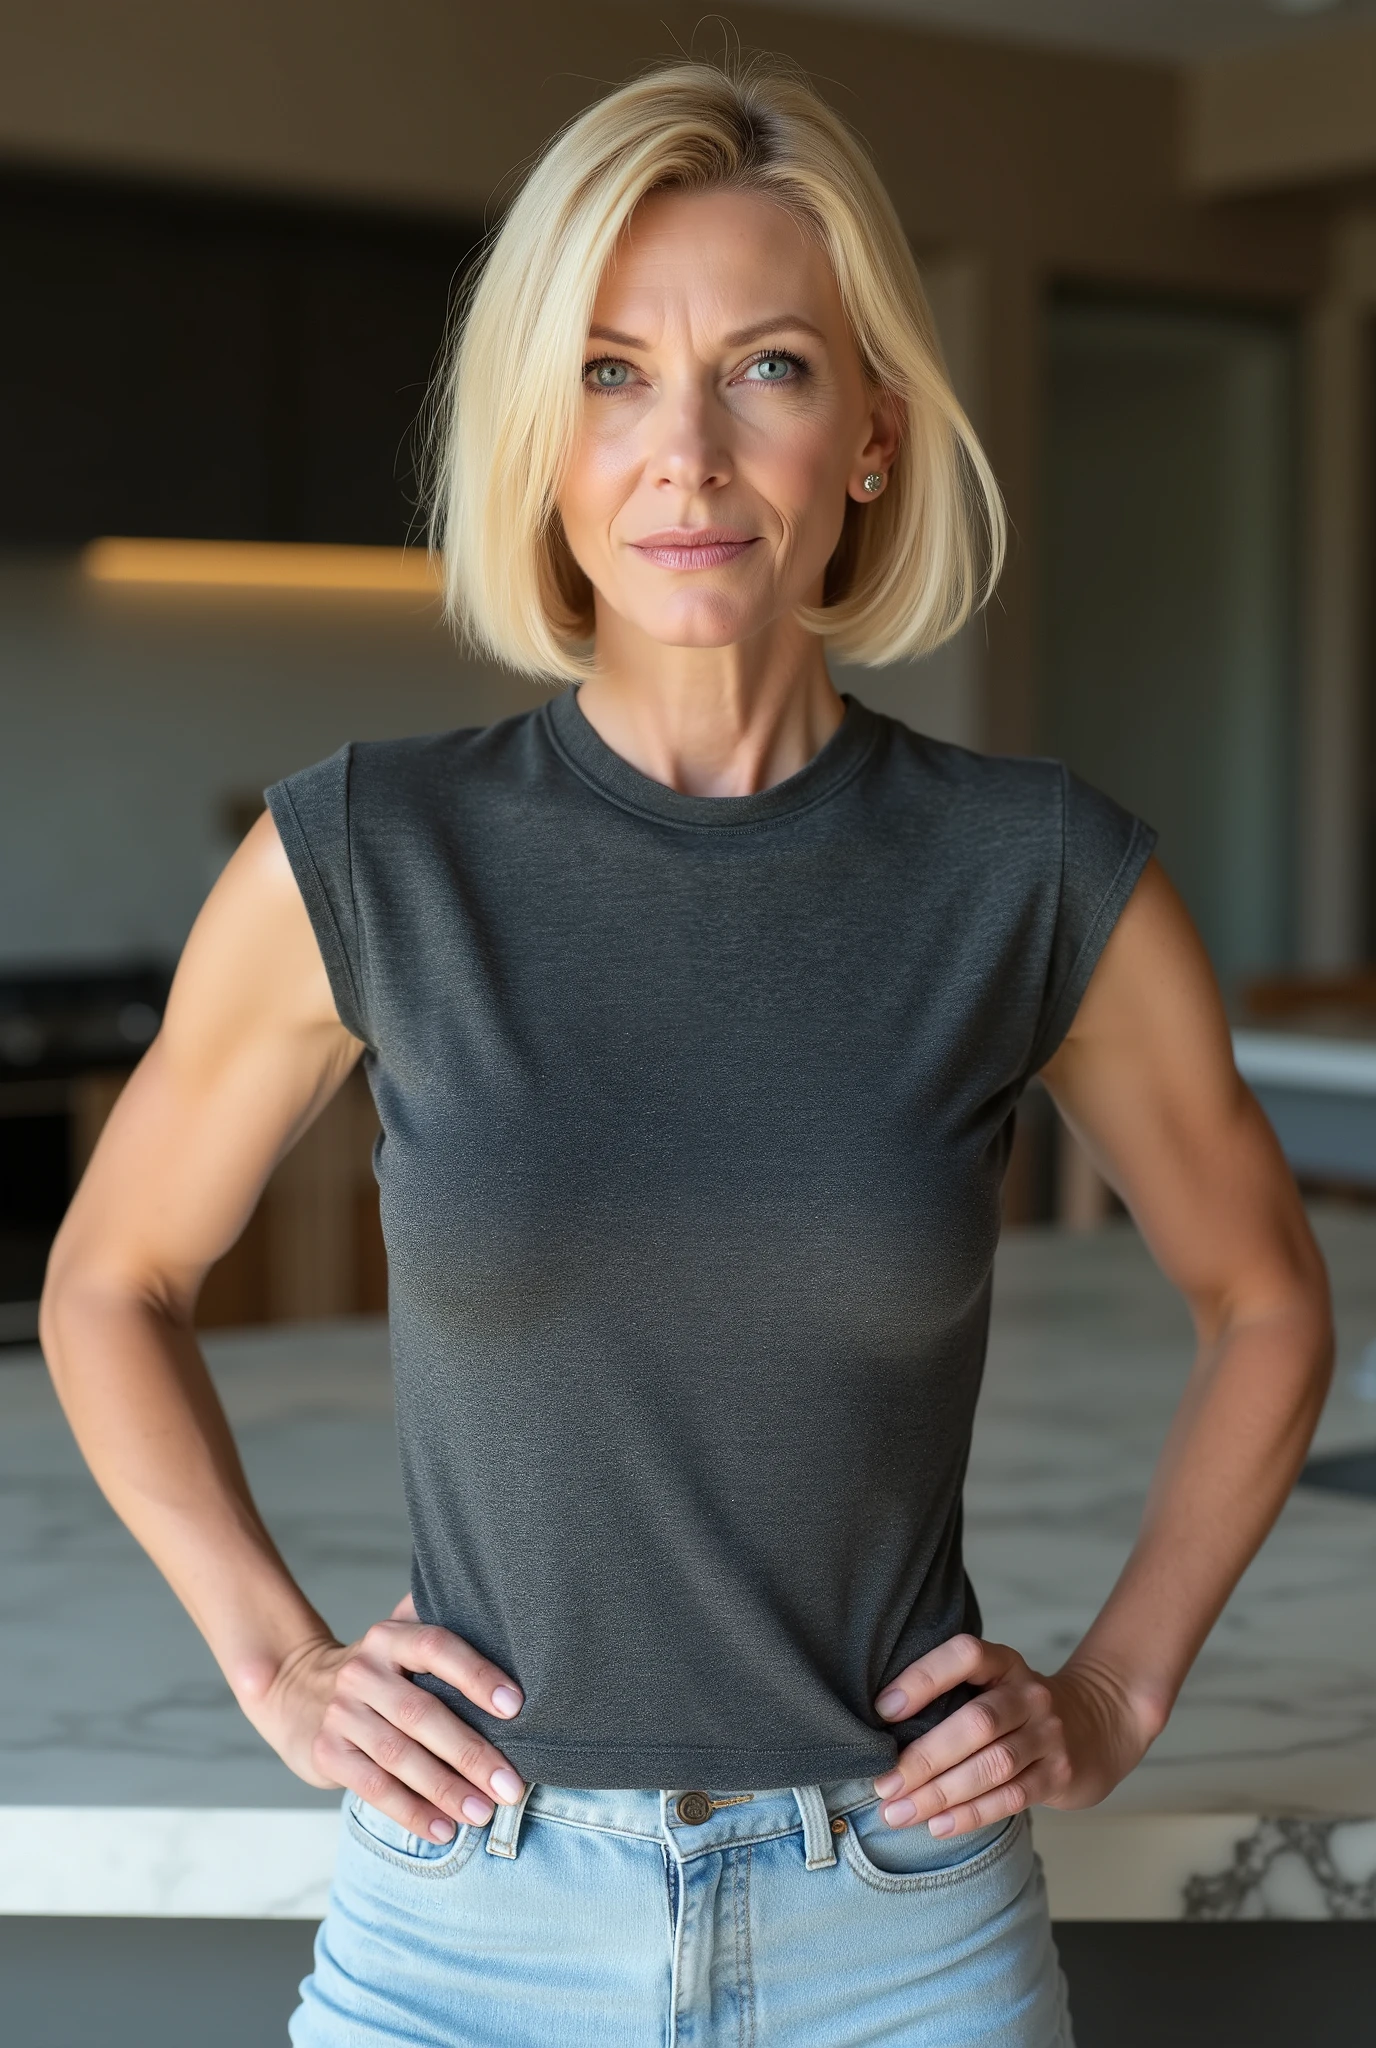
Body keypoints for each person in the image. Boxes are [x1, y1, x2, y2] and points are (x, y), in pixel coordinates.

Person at [41, 57, 1332, 2048]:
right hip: (460, 1925)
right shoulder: (368, 855)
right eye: (611, 372)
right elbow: (110, 1278)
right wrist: (275, 1658)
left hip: (901, 1931)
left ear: (873, 432)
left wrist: (1118, 1685)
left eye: (769, 370)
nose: (688, 456)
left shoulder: (1033, 873)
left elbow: (1265, 1297)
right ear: (539, 439)